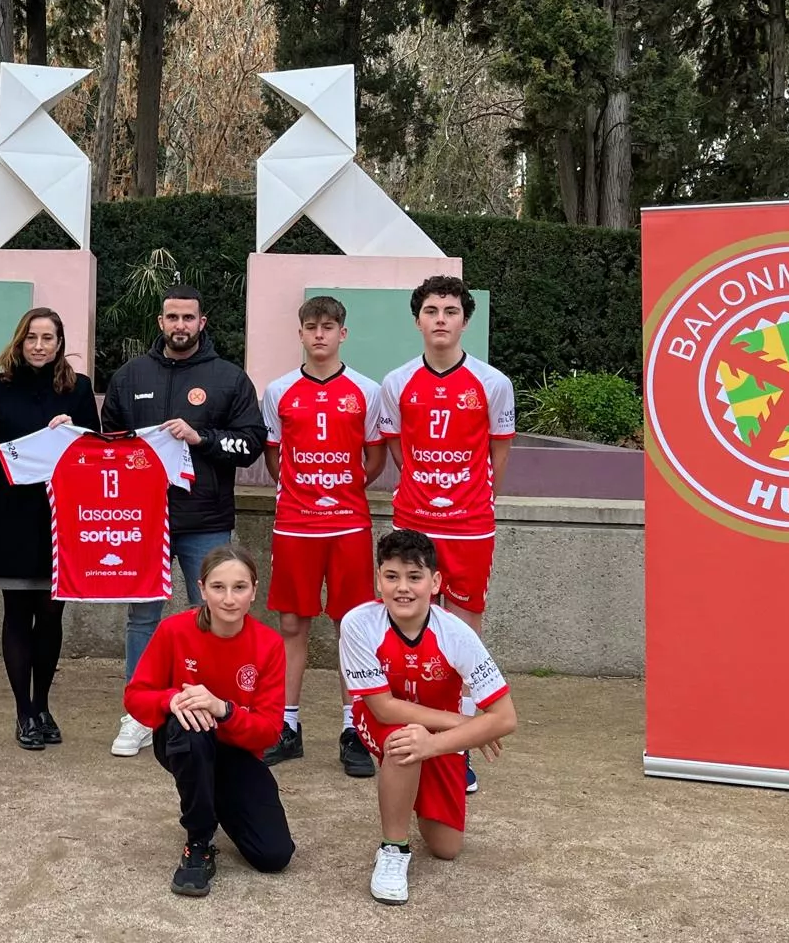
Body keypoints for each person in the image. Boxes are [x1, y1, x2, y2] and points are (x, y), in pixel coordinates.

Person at [102, 284, 266, 758]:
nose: (180, 326)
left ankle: (219, 710)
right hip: (143, 521)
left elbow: (250, 443)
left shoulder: (229, 378)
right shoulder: (131, 376)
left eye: (188, 318)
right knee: (143, 618)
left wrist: (201, 437)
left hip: (206, 520)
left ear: (202, 322)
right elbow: (108, 443)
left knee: (217, 615)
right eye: (172, 317)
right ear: (160, 322)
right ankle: (139, 714)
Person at [376, 275, 514, 791]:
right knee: (408, 629)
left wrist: (469, 495)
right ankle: (409, 731)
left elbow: (497, 455)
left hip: (471, 525)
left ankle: (458, 745)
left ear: (464, 320)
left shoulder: (492, 382)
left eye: (450, 311)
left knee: (463, 631)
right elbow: (398, 452)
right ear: (418, 320)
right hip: (415, 522)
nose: (440, 319)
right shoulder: (396, 382)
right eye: (431, 310)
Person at [338, 528, 517, 906]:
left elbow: (504, 718)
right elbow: (383, 707)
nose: (403, 588)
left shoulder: (456, 633)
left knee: (446, 848)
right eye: (391, 576)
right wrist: (465, 727)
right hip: (380, 721)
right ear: (378, 579)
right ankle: (393, 848)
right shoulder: (358, 624)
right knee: (404, 741)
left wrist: (437, 743)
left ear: (435, 583)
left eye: (414, 577)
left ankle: (412, 783)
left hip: (437, 732)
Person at [259, 295, 385, 777]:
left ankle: (354, 728)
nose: (319, 335)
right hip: (295, 524)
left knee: (352, 627)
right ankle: (288, 726)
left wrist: (344, 489)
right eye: (311, 326)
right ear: (300, 333)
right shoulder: (280, 390)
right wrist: (301, 490)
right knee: (292, 624)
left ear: (342, 334)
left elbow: (373, 458)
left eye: (328, 327)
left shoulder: (366, 391)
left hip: (349, 525)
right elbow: (274, 455)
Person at [123, 545, 294, 897]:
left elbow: (269, 730)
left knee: (274, 855)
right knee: (192, 726)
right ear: (201, 589)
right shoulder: (174, 631)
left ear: (254, 590)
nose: (229, 598)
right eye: (218, 587)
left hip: (236, 749)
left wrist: (224, 709)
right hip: (182, 742)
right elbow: (135, 697)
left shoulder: (270, 644)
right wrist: (171, 699)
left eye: (239, 587)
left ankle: (213, 797)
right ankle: (198, 842)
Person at [0, 307, 101, 750]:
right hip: (12, 513)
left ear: (60, 343)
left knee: (52, 613)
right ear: (20, 341)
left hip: (60, 515)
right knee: (17, 613)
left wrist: (75, 428)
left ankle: (42, 704)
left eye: (48, 338)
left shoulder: (77, 388)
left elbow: (96, 449)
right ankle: (23, 712)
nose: (40, 345)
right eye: (32, 338)